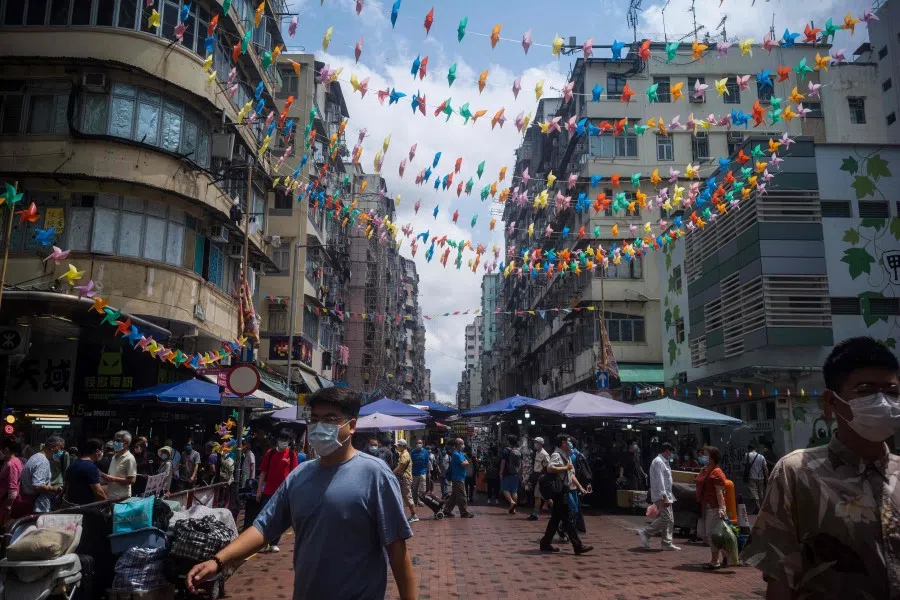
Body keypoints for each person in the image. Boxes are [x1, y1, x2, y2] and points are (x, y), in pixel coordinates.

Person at [186, 387, 417, 600]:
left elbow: (397, 551)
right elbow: (263, 528)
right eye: (314, 419)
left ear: (352, 426)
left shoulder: (375, 475)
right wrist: (218, 560)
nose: (319, 426)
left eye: (330, 419)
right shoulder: (300, 475)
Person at [742, 337, 900, 599]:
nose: (882, 402)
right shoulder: (798, 473)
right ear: (831, 402)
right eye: (865, 390)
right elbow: (781, 580)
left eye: (892, 392)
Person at [539, 434, 593, 555]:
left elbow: (570, 474)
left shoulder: (566, 455)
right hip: (560, 492)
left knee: (555, 519)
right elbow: (550, 468)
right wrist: (565, 468)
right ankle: (578, 546)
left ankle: (545, 543)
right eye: (568, 441)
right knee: (567, 518)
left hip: (564, 490)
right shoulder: (556, 454)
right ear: (563, 443)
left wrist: (580, 487)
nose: (570, 444)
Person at [256, 432, 299, 552]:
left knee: (279, 517)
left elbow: (294, 474)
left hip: (284, 492)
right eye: (281, 439)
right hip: (268, 490)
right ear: (277, 440)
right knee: (264, 517)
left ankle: (274, 542)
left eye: (286, 439)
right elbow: (263, 472)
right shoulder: (270, 453)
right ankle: (263, 543)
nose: (283, 441)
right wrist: (259, 490)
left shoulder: (292, 454)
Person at [638, 442, 680, 551]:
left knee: (670, 520)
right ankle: (646, 532)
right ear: (667, 451)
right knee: (666, 518)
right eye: (671, 452)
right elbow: (660, 480)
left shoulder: (664, 462)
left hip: (667, 495)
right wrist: (664, 496)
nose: (672, 455)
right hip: (662, 495)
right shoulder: (658, 462)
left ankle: (667, 543)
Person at [694, 446, 728, 570]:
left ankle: (715, 561)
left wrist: (721, 508)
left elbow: (719, 492)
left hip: (713, 507)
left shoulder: (717, 472)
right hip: (704, 507)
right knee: (702, 533)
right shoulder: (705, 470)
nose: (703, 457)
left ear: (712, 458)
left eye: (706, 455)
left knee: (711, 534)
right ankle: (727, 554)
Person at [16, 435, 65, 515]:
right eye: (60, 448)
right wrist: (53, 488)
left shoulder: (35, 457)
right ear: (52, 447)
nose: (61, 452)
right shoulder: (42, 461)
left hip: (32, 503)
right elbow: (37, 486)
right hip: (38, 507)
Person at [64, 439, 106, 505]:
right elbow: (98, 492)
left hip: (71, 505)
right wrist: (107, 503)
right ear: (97, 451)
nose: (102, 452)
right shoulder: (91, 467)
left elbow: (67, 488)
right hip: (86, 507)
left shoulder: (72, 465)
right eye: (102, 450)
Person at [443, 438, 474, 518]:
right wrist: (465, 462)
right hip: (457, 478)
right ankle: (464, 512)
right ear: (458, 445)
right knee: (462, 495)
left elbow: (466, 461)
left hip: (461, 476)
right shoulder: (456, 454)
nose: (463, 446)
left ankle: (447, 510)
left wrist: (465, 462)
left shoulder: (461, 453)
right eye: (462, 444)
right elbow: (464, 464)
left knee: (454, 496)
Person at [101, 430, 137, 500]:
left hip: (122, 498)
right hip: (111, 496)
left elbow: (132, 481)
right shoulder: (114, 456)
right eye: (114, 440)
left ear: (126, 443)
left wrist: (112, 479)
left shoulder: (129, 458)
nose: (114, 443)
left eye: (118, 441)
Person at [393, 439, 418, 523]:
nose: (397, 447)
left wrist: (391, 473)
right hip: (404, 477)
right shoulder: (404, 454)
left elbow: (400, 467)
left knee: (407, 496)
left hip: (405, 478)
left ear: (403, 446)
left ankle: (414, 515)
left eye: (398, 446)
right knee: (403, 496)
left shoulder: (404, 455)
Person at [0, 438, 24, 524]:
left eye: (1, 450)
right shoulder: (17, 461)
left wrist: (8, 506)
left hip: (6, 502)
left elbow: (12, 488)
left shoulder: (11, 464)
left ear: (6, 450)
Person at [528, 437, 551, 520]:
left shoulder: (544, 454)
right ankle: (556, 511)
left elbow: (550, 466)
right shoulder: (537, 452)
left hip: (541, 477)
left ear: (541, 444)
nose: (534, 444)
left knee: (537, 496)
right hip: (536, 476)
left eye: (536, 442)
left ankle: (535, 514)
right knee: (546, 497)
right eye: (534, 442)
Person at [742, 443, 769, 515]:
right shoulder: (761, 456)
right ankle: (760, 509)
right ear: (755, 448)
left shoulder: (747, 455)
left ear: (749, 448)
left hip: (751, 477)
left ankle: (759, 509)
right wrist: (767, 477)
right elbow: (765, 468)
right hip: (761, 477)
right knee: (761, 493)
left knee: (754, 493)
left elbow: (745, 466)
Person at [499, 435, 522, 514]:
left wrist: (501, 472)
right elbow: (521, 463)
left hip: (507, 473)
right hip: (516, 473)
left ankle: (512, 502)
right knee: (514, 491)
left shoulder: (506, 450)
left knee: (505, 489)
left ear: (508, 441)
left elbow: (503, 462)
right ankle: (513, 509)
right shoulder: (519, 450)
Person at [409, 439, 430, 508]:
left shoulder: (425, 452)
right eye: (417, 443)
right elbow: (410, 463)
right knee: (414, 488)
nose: (419, 444)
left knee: (423, 488)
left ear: (422, 444)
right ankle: (414, 501)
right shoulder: (413, 452)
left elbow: (427, 463)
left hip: (423, 472)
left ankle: (420, 501)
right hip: (414, 473)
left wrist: (429, 472)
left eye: (420, 443)